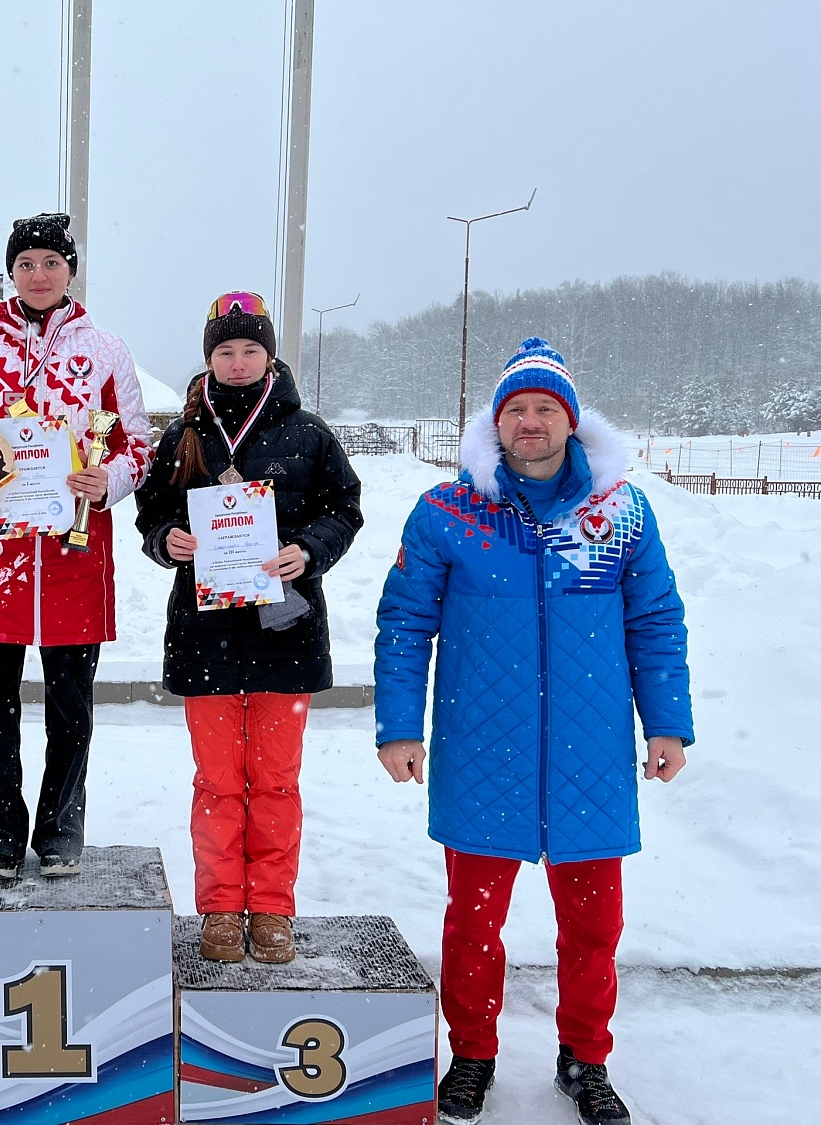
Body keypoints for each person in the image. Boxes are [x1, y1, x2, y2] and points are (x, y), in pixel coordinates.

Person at [374, 338, 693, 1125]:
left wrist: (669, 724)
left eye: (545, 409)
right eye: (516, 409)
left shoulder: (619, 513)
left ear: (571, 423)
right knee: (474, 921)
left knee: (594, 925)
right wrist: (398, 726)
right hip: (484, 750)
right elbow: (406, 623)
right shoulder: (449, 511)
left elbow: (656, 620)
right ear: (496, 423)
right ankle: (473, 1055)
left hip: (590, 760)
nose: (530, 422)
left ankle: (585, 1059)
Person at [0, 213, 151, 880]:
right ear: (12, 272)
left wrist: (109, 477)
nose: (40, 274)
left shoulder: (107, 350)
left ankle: (59, 832)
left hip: (75, 557)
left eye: (51, 262)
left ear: (71, 270)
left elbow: (136, 442)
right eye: (27, 263)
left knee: (71, 707)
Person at [134, 292, 362, 964]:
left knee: (276, 781)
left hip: (284, 630)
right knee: (217, 782)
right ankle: (221, 907)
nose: (237, 362)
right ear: (209, 359)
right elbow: (151, 515)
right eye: (224, 351)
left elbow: (345, 509)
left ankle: (271, 907)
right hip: (205, 634)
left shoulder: (309, 432)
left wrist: (310, 550)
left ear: (269, 357)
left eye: (249, 349)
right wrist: (166, 538)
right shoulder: (182, 435)